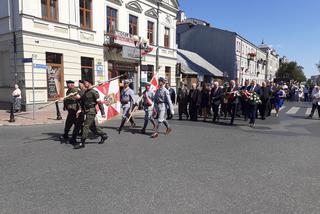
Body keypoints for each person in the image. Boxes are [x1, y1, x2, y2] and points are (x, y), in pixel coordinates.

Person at [74, 79, 108, 149]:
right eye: (83, 83)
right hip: (86, 110)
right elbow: (81, 101)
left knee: (85, 126)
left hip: (91, 111)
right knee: (93, 128)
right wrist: (80, 110)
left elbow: (100, 103)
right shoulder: (86, 92)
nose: (84, 84)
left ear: (89, 83)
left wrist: (103, 112)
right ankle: (103, 135)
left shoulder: (94, 92)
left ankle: (82, 143)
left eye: (85, 83)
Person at [69, 80, 86, 145]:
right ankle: (73, 139)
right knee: (77, 125)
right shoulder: (80, 91)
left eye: (80, 84)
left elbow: (77, 97)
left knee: (91, 127)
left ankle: (102, 135)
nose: (79, 85)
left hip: (84, 111)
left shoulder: (83, 91)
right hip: (80, 110)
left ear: (83, 84)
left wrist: (71, 96)